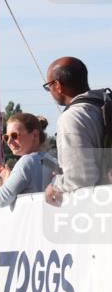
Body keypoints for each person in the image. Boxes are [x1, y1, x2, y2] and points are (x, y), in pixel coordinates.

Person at [42, 57, 106, 205]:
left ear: (58, 85)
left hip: (100, 208)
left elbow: (80, 178)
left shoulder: (71, 118)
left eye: (48, 86)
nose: (49, 91)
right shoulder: (103, 106)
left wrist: (55, 185)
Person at [0, 113, 53, 207]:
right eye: (6, 137)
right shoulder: (51, 160)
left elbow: (1, 199)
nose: (9, 141)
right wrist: (5, 178)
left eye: (14, 136)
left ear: (35, 135)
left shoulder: (27, 161)